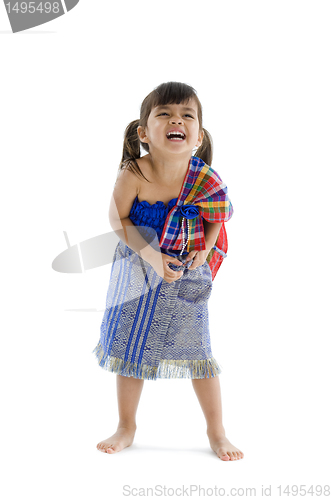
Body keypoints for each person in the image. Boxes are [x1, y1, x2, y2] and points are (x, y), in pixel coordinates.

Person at [93, 82, 244, 461]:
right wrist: (152, 257)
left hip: (187, 273)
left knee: (199, 350)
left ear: (198, 134)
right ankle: (126, 425)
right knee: (131, 345)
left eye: (186, 116)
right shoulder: (135, 172)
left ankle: (217, 432)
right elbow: (117, 218)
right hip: (136, 269)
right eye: (165, 114)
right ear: (145, 132)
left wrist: (206, 247)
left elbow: (217, 216)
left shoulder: (204, 176)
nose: (176, 120)